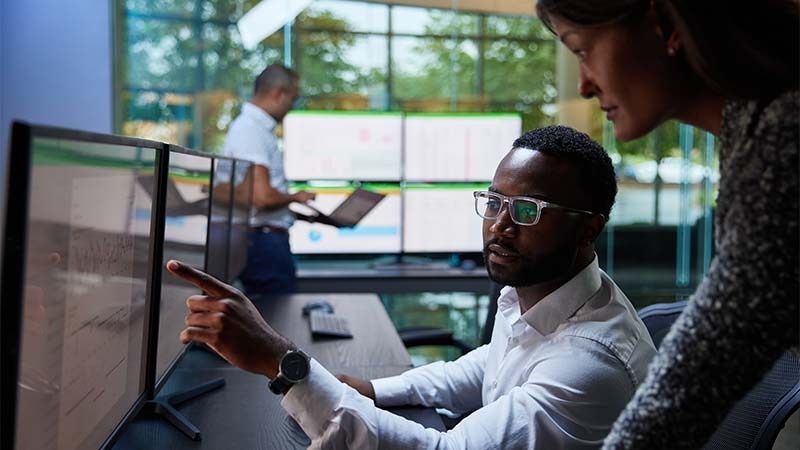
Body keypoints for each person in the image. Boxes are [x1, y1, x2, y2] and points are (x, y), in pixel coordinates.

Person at [167, 126, 657, 449]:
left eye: (528, 210)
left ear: (589, 228)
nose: (501, 226)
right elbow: (491, 362)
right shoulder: (548, 294)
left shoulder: (587, 363)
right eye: (494, 202)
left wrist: (284, 363)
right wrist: (376, 389)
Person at [534, 1, 799, 449]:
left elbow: (699, 373)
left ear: (664, 25)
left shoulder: (783, 138)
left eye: (581, 49)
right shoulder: (753, 130)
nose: (583, 85)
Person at [221, 63, 315, 296]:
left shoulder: (252, 128)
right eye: (292, 99)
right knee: (278, 318)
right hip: (264, 243)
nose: (291, 107)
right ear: (277, 93)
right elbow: (261, 197)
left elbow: (248, 194)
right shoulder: (250, 130)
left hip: (261, 240)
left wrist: (310, 217)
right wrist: (297, 196)